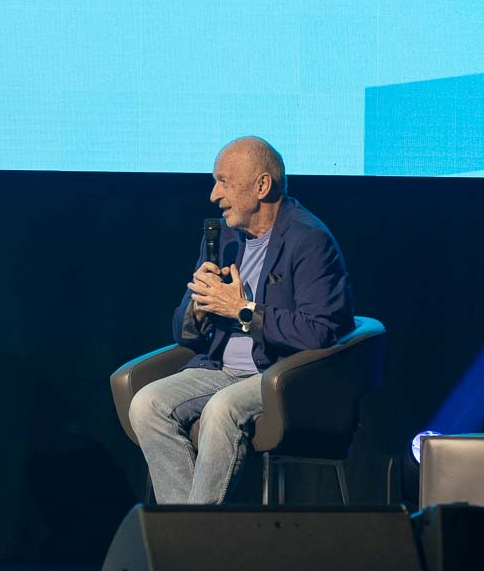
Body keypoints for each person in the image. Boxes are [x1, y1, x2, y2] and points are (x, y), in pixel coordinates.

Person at [127, 136, 354, 504]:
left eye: (224, 182)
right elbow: (184, 333)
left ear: (262, 186)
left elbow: (320, 332)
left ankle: (192, 532)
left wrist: (243, 311)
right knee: (146, 404)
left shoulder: (309, 240)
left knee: (222, 409)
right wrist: (200, 307)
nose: (214, 195)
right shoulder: (223, 237)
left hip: (279, 376)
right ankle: (187, 530)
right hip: (219, 369)